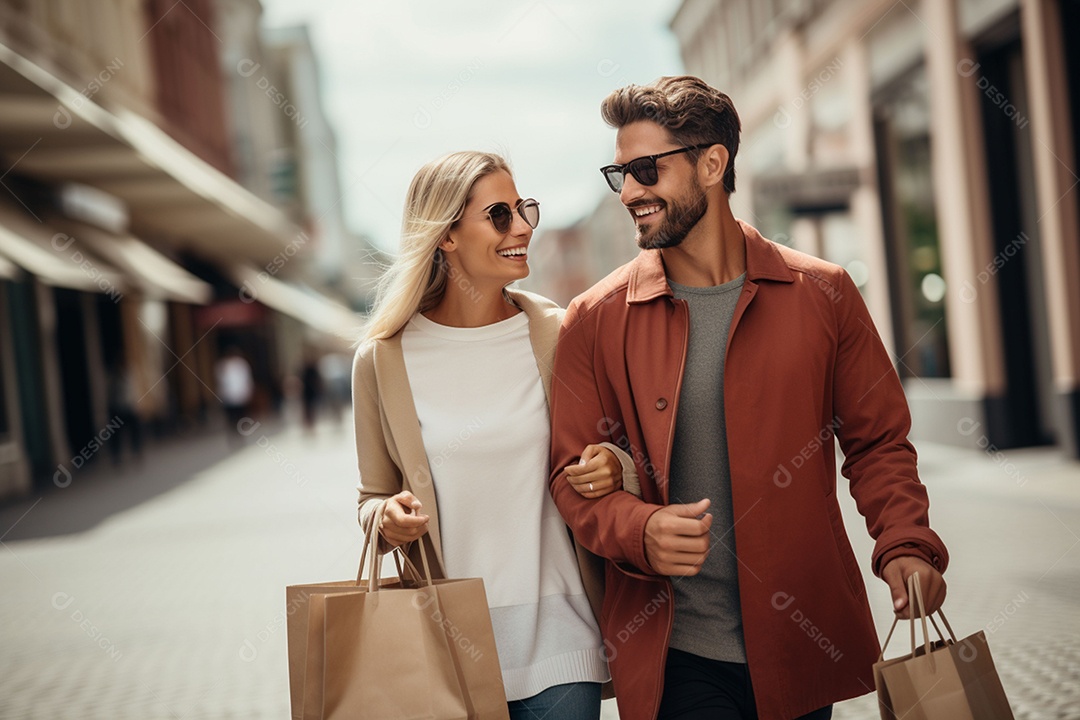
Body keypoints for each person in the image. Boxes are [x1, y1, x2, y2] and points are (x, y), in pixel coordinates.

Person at [547, 76, 950, 720]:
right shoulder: (594, 319)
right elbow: (568, 480)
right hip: (675, 654)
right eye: (619, 173)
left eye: (646, 169)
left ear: (713, 163)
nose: (629, 192)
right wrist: (640, 529)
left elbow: (877, 441)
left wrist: (905, 543)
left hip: (798, 644)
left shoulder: (824, 293)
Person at [353, 151, 639, 720]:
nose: (524, 228)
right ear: (447, 236)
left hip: (563, 638)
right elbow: (371, 498)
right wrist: (387, 518)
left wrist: (612, 465)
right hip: (447, 651)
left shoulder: (559, 333)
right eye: (501, 215)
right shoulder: (383, 360)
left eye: (524, 209)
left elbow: (622, 446)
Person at [215, 346, 254, 443]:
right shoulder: (223, 365)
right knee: (231, 416)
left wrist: (247, 391)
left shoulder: (241, 364)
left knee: (240, 414)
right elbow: (220, 380)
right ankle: (233, 430)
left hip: (239, 394)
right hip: (228, 395)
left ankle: (240, 430)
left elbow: (246, 378)